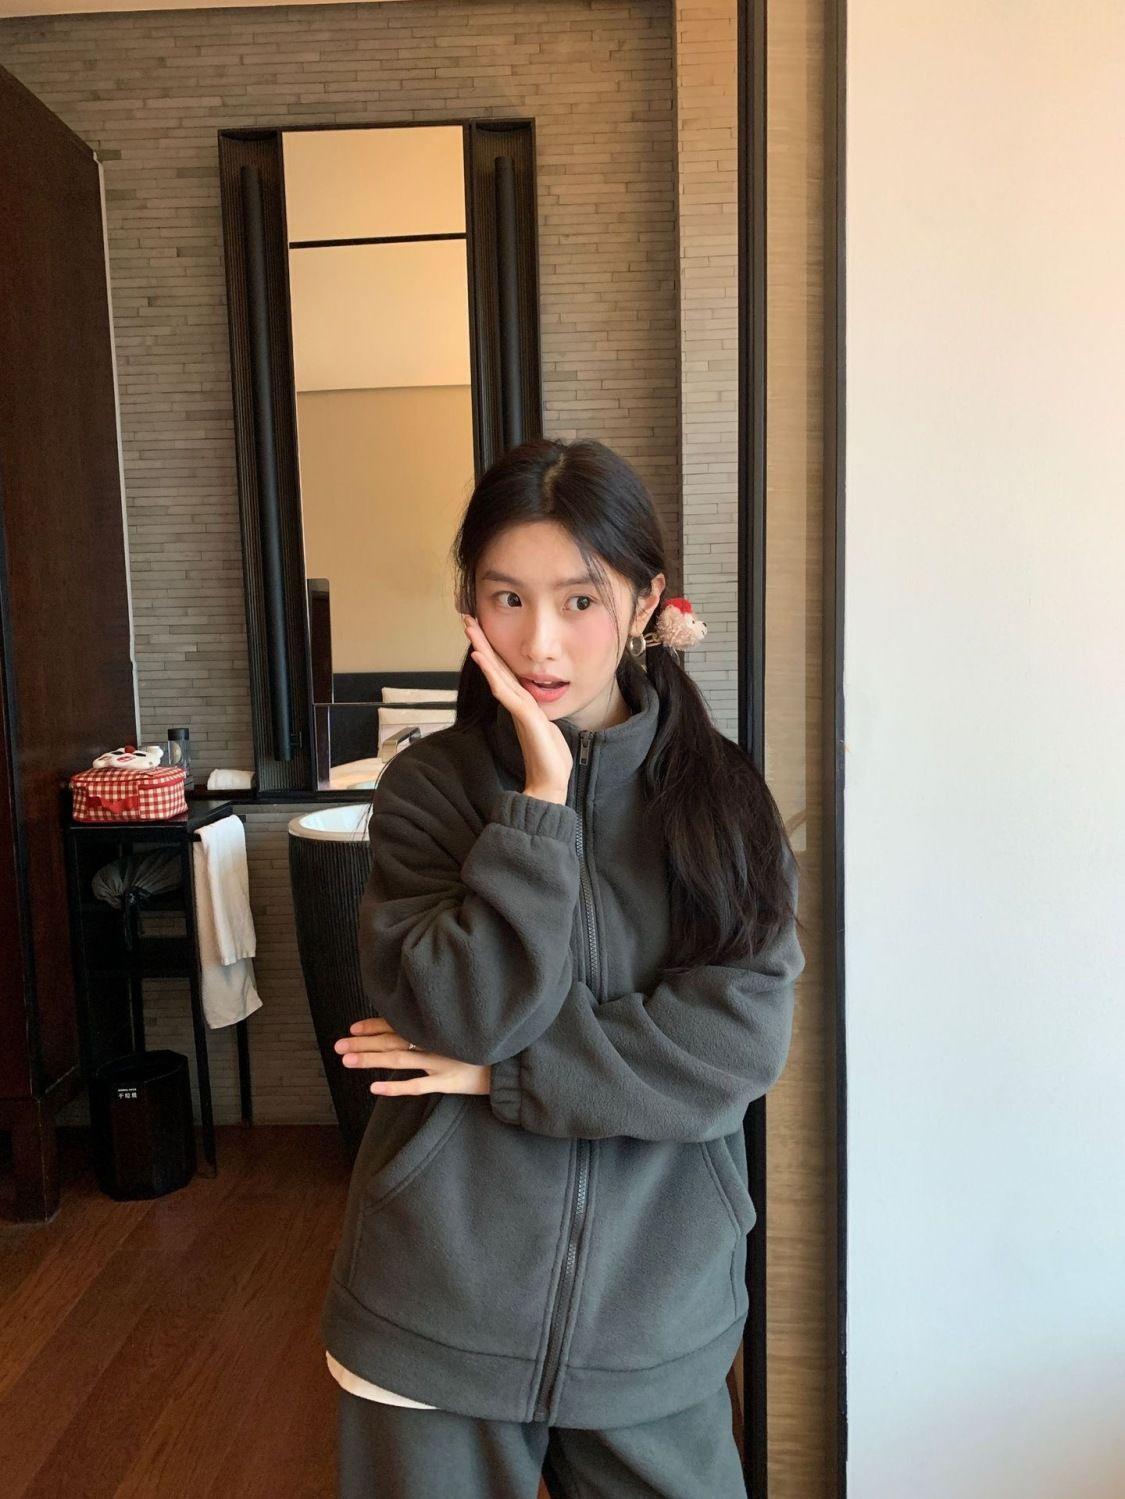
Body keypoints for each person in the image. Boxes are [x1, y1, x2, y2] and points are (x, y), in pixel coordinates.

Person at [320, 437, 807, 1497]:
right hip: (435, 1317)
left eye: (580, 600)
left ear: (644, 603)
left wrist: (504, 1075)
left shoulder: (723, 802)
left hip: (653, 1319)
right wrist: (539, 806)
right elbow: (461, 1013)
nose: (539, 641)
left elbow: (732, 1050)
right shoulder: (431, 790)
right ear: (471, 605)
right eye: (507, 597)